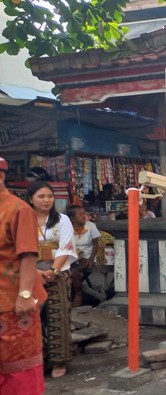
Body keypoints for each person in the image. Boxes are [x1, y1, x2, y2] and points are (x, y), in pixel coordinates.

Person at [0, 157, 44, 394]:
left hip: (13, 304)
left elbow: (28, 255)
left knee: (19, 371)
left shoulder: (19, 209)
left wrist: (25, 295)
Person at [26, 181, 78, 379]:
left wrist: (53, 271)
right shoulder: (23, 219)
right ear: (30, 199)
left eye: (49, 196)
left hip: (57, 274)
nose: (46, 200)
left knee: (58, 317)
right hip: (30, 274)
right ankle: (39, 358)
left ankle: (59, 361)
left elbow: (66, 247)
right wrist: (35, 272)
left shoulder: (62, 219)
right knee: (30, 318)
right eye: (41, 196)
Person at [66, 205, 101, 307]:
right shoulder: (67, 229)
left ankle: (79, 293)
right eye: (80, 214)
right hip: (72, 256)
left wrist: (91, 259)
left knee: (74, 272)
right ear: (72, 218)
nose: (84, 216)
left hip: (87, 256)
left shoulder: (91, 226)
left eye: (84, 213)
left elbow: (96, 244)